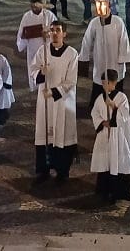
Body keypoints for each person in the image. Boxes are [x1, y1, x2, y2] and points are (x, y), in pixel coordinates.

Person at [29, 21, 79, 184]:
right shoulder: (42, 51)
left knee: (62, 135)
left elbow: (71, 81)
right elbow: (33, 70)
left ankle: (62, 171)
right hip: (45, 102)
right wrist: (41, 73)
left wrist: (54, 92)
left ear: (64, 34)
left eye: (58, 30)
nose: (54, 33)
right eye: (52, 30)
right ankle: (43, 170)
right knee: (44, 135)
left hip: (62, 101)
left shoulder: (71, 54)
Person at [90, 69, 130, 204]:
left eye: (106, 83)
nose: (103, 85)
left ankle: (117, 192)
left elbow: (125, 115)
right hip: (105, 134)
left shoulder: (122, 97)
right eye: (102, 83)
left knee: (116, 162)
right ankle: (104, 190)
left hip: (117, 136)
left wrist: (114, 107)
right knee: (105, 163)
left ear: (113, 83)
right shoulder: (100, 98)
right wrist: (103, 122)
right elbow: (94, 113)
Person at [80, 0, 130, 111]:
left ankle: (117, 108)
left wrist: (122, 59)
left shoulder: (118, 22)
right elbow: (86, 41)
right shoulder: (94, 22)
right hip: (100, 61)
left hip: (115, 62)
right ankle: (97, 109)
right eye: (97, 3)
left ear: (108, 4)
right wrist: (83, 58)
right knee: (99, 83)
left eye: (102, 3)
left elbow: (124, 41)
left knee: (115, 86)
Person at [16, 0, 57, 91]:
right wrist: (23, 43)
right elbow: (21, 33)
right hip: (32, 47)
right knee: (34, 67)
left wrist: (49, 35)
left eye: (36, 7)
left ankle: (48, 85)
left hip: (46, 46)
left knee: (46, 67)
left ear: (41, 5)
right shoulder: (27, 16)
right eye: (32, 7)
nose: (34, 9)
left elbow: (56, 30)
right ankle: (35, 86)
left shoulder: (49, 15)